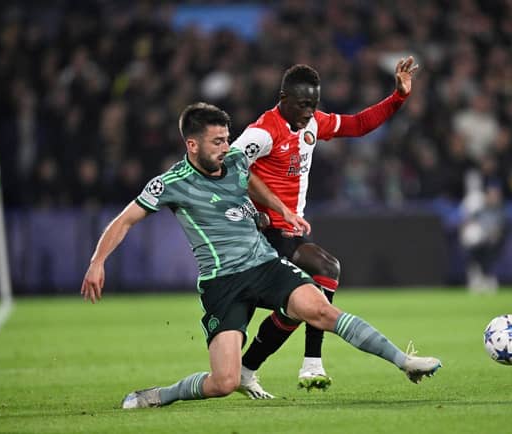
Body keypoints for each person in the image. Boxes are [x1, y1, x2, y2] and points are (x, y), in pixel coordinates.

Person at [80, 102, 441, 409]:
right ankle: (160, 395)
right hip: (222, 283)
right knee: (224, 382)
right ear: (192, 145)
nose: (226, 147)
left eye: (226, 138)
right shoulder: (172, 184)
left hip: (265, 265)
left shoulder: (234, 161)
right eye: (217, 141)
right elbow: (125, 220)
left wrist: (281, 210)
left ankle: (404, 361)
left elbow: (249, 179)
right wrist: (97, 263)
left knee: (321, 310)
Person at [231, 57, 418, 394]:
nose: (308, 112)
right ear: (283, 98)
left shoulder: (313, 124)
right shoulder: (262, 132)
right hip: (258, 234)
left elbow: (359, 124)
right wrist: (263, 210)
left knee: (303, 300)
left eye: (313, 104)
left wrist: (398, 97)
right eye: (303, 105)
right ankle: (309, 363)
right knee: (319, 276)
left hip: (288, 230)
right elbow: (231, 169)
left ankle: (250, 368)